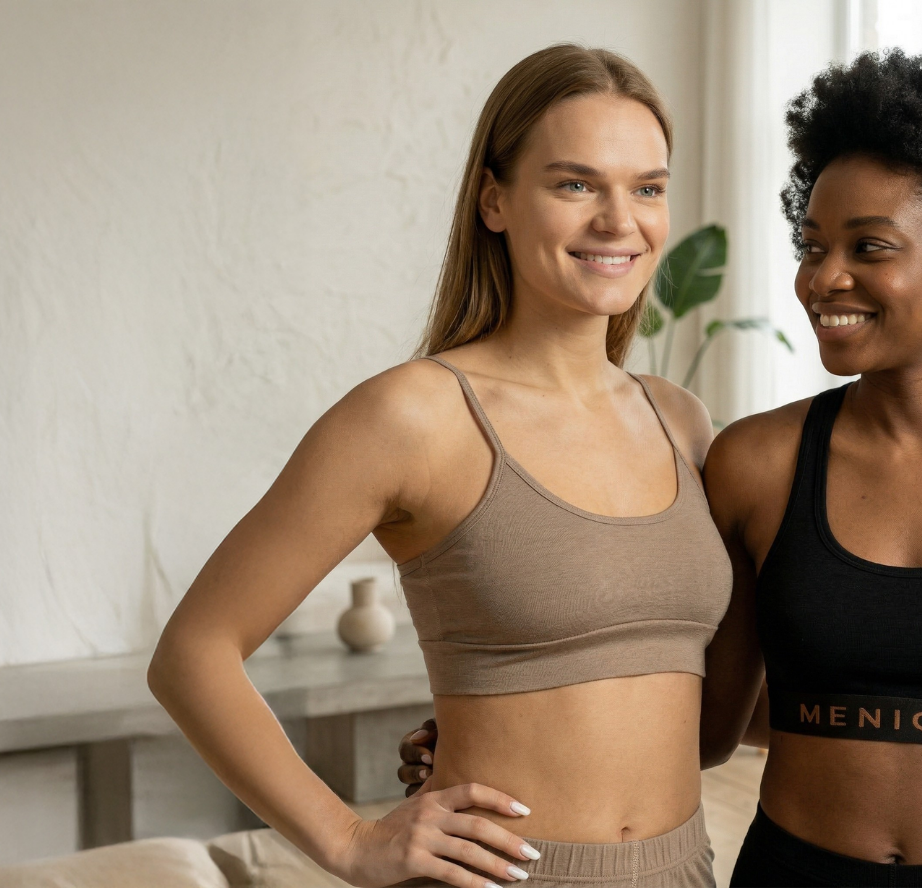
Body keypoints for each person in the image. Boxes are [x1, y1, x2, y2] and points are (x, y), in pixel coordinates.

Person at [403, 49, 922, 887]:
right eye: (813, 243)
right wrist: (501, 733)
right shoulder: (756, 463)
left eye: (870, 246)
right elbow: (707, 718)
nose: (824, 278)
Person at [148, 44, 727, 888]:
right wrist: (349, 841)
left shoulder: (679, 419)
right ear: (495, 200)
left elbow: (677, 694)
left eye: (646, 187)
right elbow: (193, 653)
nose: (618, 220)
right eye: (575, 184)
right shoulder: (413, 415)